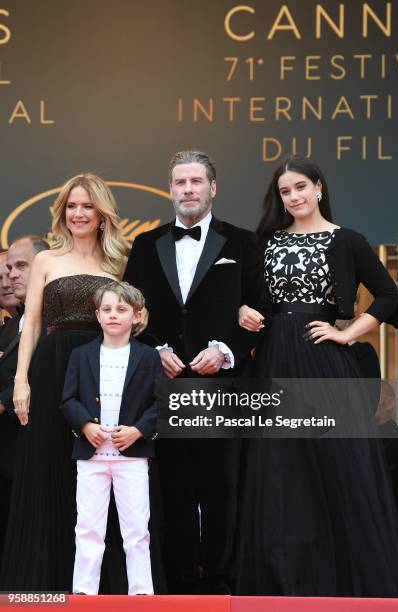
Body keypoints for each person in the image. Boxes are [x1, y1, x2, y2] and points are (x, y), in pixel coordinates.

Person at [236, 155, 398, 597]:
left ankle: (351, 587)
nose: (292, 197)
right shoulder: (264, 243)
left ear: (318, 188)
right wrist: (245, 312)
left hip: (324, 361)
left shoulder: (346, 240)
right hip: (273, 360)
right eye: (284, 192)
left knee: (341, 469)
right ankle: (285, 586)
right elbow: (246, 299)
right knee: (280, 475)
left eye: (299, 188)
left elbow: (389, 297)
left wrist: (348, 332)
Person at [124, 150, 265, 594]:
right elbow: (132, 311)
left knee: (222, 485)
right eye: (180, 182)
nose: (188, 189)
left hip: (222, 385)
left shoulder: (242, 242)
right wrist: (154, 350)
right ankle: (180, 583)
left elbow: (262, 309)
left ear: (213, 188)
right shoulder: (147, 244)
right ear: (170, 190)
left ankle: (223, 583)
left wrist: (226, 350)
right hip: (163, 384)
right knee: (172, 486)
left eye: (196, 182)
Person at [0, 174, 129, 592]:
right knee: (49, 471)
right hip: (52, 368)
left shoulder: (118, 262)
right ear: (62, 212)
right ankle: (45, 582)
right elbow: (32, 322)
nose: (78, 214)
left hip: (102, 370)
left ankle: (100, 586)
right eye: (71, 206)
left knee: (100, 472)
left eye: (87, 206)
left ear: (102, 214)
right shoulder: (47, 260)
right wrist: (22, 380)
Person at [61, 281, 162, 595]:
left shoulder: (148, 357)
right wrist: (86, 427)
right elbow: (68, 399)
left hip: (132, 457)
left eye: (121, 309)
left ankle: (142, 590)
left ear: (137, 315)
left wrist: (138, 430)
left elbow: (161, 402)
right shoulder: (81, 355)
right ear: (97, 315)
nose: (113, 315)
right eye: (107, 309)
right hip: (91, 457)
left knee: (136, 529)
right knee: (88, 526)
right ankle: (83, 590)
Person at [0, 237, 49, 560]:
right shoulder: (10, 327)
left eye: (21, 266)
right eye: (8, 268)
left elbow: (46, 376)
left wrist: (4, 399)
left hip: (35, 451)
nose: (11, 275)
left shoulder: (54, 321)